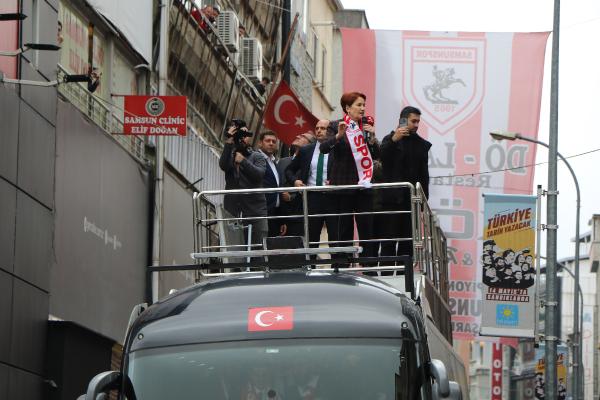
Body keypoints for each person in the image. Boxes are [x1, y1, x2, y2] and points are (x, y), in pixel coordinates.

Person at [321, 92, 380, 263]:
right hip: (343, 186)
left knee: (366, 228)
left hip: (363, 187)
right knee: (343, 228)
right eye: (359, 105)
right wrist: (339, 136)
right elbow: (324, 148)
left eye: (364, 105)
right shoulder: (335, 126)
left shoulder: (366, 127)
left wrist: (373, 139)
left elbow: (376, 156)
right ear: (347, 108)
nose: (362, 108)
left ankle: (368, 263)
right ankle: (342, 264)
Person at [380, 106, 431, 261]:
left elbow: (424, 175)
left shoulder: (422, 144)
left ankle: (405, 278)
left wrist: (423, 200)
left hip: (412, 202)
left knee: (408, 243)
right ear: (403, 120)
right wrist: (395, 140)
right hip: (391, 200)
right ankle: (386, 276)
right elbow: (382, 157)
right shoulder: (389, 139)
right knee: (388, 241)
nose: (416, 125)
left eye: (418, 122)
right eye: (413, 121)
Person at [286, 120, 338, 249]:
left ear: (331, 131)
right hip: (312, 198)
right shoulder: (306, 150)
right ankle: (311, 267)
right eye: (317, 128)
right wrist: (295, 181)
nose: (319, 130)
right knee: (312, 237)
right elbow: (289, 170)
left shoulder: (337, 148)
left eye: (323, 128)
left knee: (335, 236)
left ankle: (337, 267)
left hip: (333, 197)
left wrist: (336, 180)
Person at [219, 119, 267, 249]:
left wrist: (243, 161)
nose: (243, 138)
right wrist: (229, 141)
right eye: (240, 135)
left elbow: (258, 175)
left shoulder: (258, 156)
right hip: (233, 209)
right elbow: (223, 165)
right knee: (233, 248)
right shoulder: (230, 154)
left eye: (245, 135)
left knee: (258, 250)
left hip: (255, 211)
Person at [278, 133, 315, 236]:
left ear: (310, 144)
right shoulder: (282, 162)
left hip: (298, 212)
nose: (298, 136)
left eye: (303, 137)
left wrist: (291, 197)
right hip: (279, 213)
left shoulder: (312, 163)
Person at [257, 131, 288, 237]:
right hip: (261, 212)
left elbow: (278, 189)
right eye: (267, 141)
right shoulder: (255, 158)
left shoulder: (275, 162)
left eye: (274, 141)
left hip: (275, 214)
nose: (271, 143)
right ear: (260, 143)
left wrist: (281, 219)